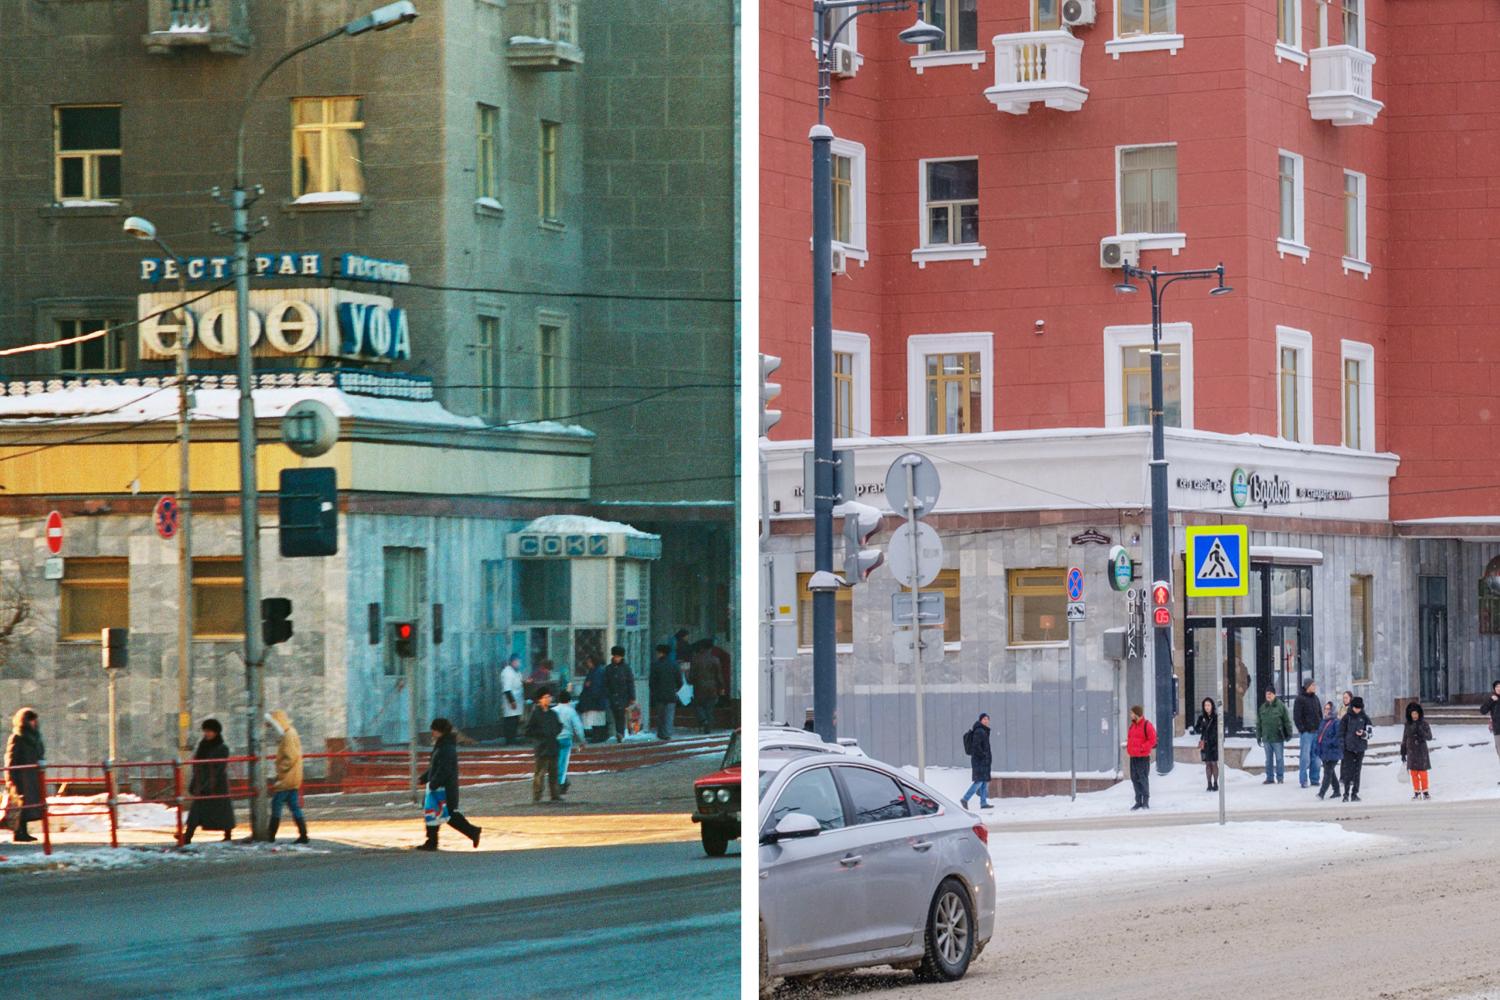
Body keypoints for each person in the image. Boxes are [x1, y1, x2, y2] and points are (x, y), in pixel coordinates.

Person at [417, 717, 482, 850]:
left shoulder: (446, 747)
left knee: (445, 814)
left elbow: (444, 769)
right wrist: (424, 778)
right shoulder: (443, 744)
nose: (432, 733)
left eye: (434, 730)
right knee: (436, 813)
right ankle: (432, 841)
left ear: (439, 731)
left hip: (443, 788)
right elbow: (435, 766)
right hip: (440, 786)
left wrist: (433, 783)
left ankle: (472, 831)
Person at [183, 718, 235, 844]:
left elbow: (219, 768)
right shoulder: (203, 745)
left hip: (217, 784)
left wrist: (209, 782)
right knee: (196, 810)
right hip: (202, 782)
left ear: (216, 732)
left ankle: (228, 834)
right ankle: (187, 836)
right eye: (206, 731)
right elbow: (198, 764)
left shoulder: (222, 748)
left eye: (210, 731)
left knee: (223, 811)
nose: (207, 734)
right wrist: (196, 783)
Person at [266, 711, 309, 844]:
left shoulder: (288, 735)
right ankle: (303, 834)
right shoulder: (291, 732)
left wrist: (280, 770)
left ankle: (271, 835)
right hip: (294, 777)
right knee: (294, 806)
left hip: (287, 778)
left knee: (276, 804)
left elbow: (290, 757)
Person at [3, 707, 44, 843]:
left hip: (31, 777)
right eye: (30, 720)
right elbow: (11, 759)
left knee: (27, 806)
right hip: (20, 777)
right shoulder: (17, 737)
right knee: (20, 805)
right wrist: (10, 779)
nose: (33, 723)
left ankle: (24, 832)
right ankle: (18, 832)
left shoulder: (35, 737)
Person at [524, 687, 563, 803]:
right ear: (540, 700)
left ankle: (555, 794)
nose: (548, 699)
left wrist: (554, 732)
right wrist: (541, 735)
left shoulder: (553, 713)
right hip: (541, 747)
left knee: (554, 773)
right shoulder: (535, 714)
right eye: (545, 697)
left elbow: (559, 726)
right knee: (540, 773)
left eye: (549, 697)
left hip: (553, 746)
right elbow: (528, 730)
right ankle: (537, 796)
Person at [1256, 686, 1293, 784]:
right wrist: (1258, 736)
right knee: (1268, 760)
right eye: (1266, 694)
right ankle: (1270, 778)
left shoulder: (1280, 706)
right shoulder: (1263, 707)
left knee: (1279, 759)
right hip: (1266, 737)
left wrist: (1289, 733)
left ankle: (1280, 778)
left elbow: (1287, 721)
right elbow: (1258, 723)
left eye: (1270, 694)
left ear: (1274, 695)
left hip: (1277, 738)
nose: (1268, 696)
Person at [1339, 696, 1373, 802]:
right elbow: (1341, 733)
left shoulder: (1365, 718)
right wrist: (1342, 745)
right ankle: (1345, 794)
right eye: (1355, 707)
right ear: (1352, 707)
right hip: (1348, 748)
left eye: (1359, 708)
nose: (1357, 710)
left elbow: (1370, 733)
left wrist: (1363, 734)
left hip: (1360, 748)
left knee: (1357, 772)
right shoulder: (1346, 717)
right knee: (1348, 771)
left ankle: (1355, 793)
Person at [553, 688, 587, 794]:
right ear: (569, 700)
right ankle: (560, 784)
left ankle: (556, 782)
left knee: (556, 762)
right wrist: (582, 741)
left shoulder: (553, 710)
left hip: (554, 739)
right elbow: (578, 727)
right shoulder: (571, 711)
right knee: (563, 763)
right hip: (566, 738)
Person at [959, 713, 993, 811]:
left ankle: (983, 802)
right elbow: (976, 746)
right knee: (979, 781)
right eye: (984, 719)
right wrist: (983, 756)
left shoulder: (983, 731)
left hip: (983, 760)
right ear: (980, 720)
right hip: (979, 760)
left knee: (984, 782)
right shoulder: (979, 731)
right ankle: (965, 799)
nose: (986, 721)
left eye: (987, 719)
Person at [1401, 701, 1434, 801]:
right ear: (1410, 714)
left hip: (1421, 751)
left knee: (1423, 773)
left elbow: (1429, 737)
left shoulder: (1424, 724)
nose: (1414, 716)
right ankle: (1417, 792)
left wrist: (1421, 730)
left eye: (1416, 713)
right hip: (1411, 751)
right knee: (1414, 774)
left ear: (1419, 714)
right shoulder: (1407, 724)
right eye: (1412, 714)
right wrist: (1403, 752)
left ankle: (1425, 792)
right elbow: (1404, 738)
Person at [603, 646, 636, 744]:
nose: (617, 658)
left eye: (619, 657)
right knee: (614, 716)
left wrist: (632, 697)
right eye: (615, 656)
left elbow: (630, 683)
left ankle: (620, 734)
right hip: (612, 696)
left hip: (623, 696)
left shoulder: (626, 668)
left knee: (621, 716)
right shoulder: (608, 669)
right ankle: (615, 734)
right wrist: (608, 694)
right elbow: (605, 683)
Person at [1293, 680, 1323, 788]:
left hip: (1316, 732)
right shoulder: (1300, 699)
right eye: (1313, 685)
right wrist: (1302, 729)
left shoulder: (1315, 698)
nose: (1315, 687)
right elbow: (1297, 716)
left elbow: (1320, 714)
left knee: (1316, 758)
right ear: (1307, 686)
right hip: (1306, 733)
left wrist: (1321, 727)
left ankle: (1315, 779)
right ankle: (1303, 780)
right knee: (1305, 757)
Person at [689, 639, 722, 733]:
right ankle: (708, 728)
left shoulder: (695, 659)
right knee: (709, 708)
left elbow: (692, 676)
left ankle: (703, 720)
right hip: (712, 687)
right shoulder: (715, 659)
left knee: (698, 705)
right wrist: (722, 687)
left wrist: (690, 680)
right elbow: (719, 675)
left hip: (699, 687)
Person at [1127, 705, 1156, 810]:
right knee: (1134, 779)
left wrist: (1142, 748)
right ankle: (1138, 801)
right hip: (1133, 757)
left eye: (1132, 713)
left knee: (1143, 779)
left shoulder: (1147, 725)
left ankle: (1145, 801)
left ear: (1137, 714)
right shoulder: (1132, 726)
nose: (1130, 715)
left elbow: (1152, 740)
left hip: (1142, 757)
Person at [648, 643, 680, 740]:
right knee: (669, 715)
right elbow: (679, 681)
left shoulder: (655, 665)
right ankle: (667, 733)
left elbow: (652, 682)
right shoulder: (674, 665)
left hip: (659, 695)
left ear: (660, 653)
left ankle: (661, 732)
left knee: (660, 715)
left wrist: (654, 691)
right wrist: (675, 688)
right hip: (671, 694)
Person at [1190, 697, 1220, 792]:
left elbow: (1220, 730)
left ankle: (1215, 783)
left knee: (1214, 763)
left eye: (1208, 705)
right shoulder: (1201, 717)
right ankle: (1209, 784)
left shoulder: (1216, 717)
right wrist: (1197, 729)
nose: (1207, 707)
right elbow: (1197, 729)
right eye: (1205, 705)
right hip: (1205, 743)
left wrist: (1221, 740)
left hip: (1214, 743)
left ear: (1212, 706)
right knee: (1207, 764)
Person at [1315, 701, 1344, 800]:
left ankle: (1321, 793)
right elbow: (1320, 736)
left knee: (1327, 772)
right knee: (1330, 772)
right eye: (1325, 709)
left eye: (1328, 709)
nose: (1326, 711)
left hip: (1333, 751)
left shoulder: (1336, 722)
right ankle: (1337, 791)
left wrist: (1330, 743)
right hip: (1324, 751)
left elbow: (1338, 737)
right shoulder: (1323, 721)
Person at [578, 655, 609, 743]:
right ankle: (598, 736)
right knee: (597, 721)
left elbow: (595, 687)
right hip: (597, 701)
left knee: (596, 721)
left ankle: (598, 737)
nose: (587, 664)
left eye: (589, 662)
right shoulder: (597, 671)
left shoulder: (597, 672)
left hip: (595, 701)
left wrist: (590, 695)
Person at [500, 654, 524, 746]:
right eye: (517, 662)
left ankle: (513, 739)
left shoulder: (516, 672)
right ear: (512, 662)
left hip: (517, 699)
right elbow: (507, 689)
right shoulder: (507, 672)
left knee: (515, 721)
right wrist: (512, 701)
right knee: (510, 721)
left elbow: (519, 682)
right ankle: (509, 740)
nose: (519, 664)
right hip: (511, 701)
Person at [1479, 680, 1500, 780]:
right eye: (1497, 687)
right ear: (1494, 689)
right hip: (1498, 731)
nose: (1499, 688)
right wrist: (1491, 700)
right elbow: (1482, 711)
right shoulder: (1492, 699)